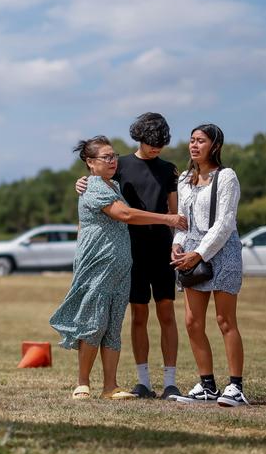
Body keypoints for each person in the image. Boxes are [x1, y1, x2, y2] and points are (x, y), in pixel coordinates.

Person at [51, 137, 187, 400]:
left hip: (119, 267)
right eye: (106, 157)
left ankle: (110, 386)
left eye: (114, 156)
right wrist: (167, 218)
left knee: (113, 325)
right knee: (94, 322)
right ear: (90, 163)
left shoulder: (112, 184)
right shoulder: (93, 186)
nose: (113, 161)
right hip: (98, 264)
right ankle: (83, 383)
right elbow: (124, 214)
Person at [169, 124, 248, 406]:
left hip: (222, 253)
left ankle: (236, 387)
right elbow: (182, 220)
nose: (194, 145)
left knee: (225, 321)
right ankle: (207, 385)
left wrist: (199, 253)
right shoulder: (185, 180)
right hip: (191, 253)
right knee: (192, 322)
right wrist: (177, 243)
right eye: (191, 140)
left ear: (214, 145)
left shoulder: (226, 177)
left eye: (200, 140)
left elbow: (226, 222)